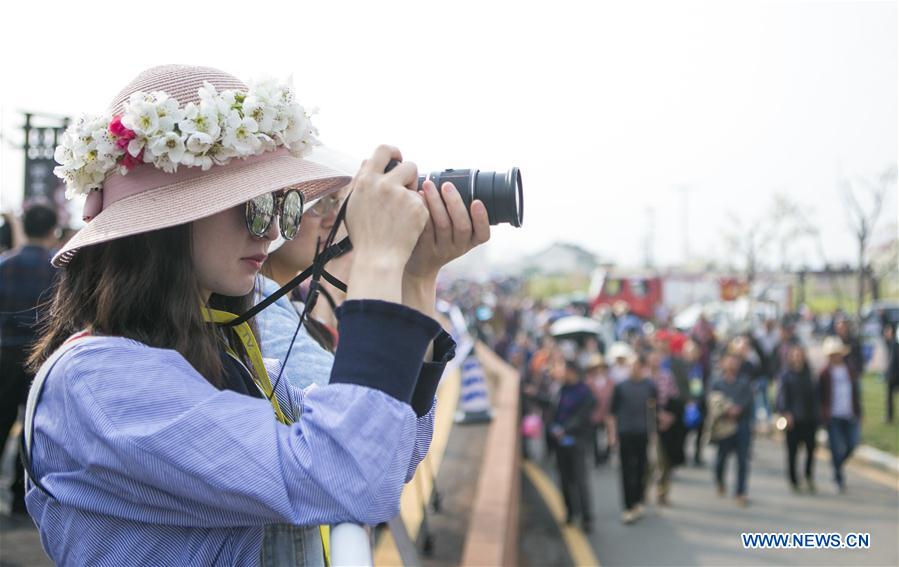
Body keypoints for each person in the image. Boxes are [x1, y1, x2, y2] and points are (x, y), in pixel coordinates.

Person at [23, 65, 490, 565]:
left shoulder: (224, 347)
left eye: (281, 207)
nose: (271, 232)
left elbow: (381, 452)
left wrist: (416, 278)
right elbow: (346, 475)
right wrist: (377, 259)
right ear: (169, 218)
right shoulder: (99, 381)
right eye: (253, 207)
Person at [0, 202, 59, 514]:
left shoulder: (4, 264)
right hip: (41, 358)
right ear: (52, 230)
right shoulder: (59, 268)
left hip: (4, 353)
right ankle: (20, 495)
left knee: (1, 418)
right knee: (31, 426)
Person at [609, 353, 657, 524]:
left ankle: (638, 501)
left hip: (642, 432)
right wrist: (612, 434)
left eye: (636, 365)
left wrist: (653, 431)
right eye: (630, 365)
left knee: (641, 469)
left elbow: (653, 409)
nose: (633, 369)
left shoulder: (649, 386)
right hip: (625, 432)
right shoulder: (620, 387)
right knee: (626, 471)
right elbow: (612, 413)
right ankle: (628, 506)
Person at [549, 358, 596, 532]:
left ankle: (586, 517)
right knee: (564, 479)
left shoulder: (584, 391)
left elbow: (584, 415)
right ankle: (570, 512)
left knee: (580, 479)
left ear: (572, 371)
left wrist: (565, 428)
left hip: (577, 440)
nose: (560, 373)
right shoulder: (559, 389)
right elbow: (552, 410)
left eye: (562, 369)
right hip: (560, 442)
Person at [710, 352, 753, 507]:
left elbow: (748, 401)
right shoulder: (717, 383)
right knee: (721, 458)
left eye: (735, 362)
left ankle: (741, 492)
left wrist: (737, 409)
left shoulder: (744, 382)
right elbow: (712, 401)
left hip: (741, 425)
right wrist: (726, 410)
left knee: (742, 460)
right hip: (723, 426)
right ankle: (720, 481)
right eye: (729, 361)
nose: (732, 365)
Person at [818, 336, 861, 493]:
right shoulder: (824, 373)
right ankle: (838, 477)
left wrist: (859, 411)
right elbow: (820, 396)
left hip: (849, 414)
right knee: (836, 448)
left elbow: (856, 393)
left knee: (851, 444)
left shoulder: (849, 370)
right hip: (833, 416)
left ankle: (837, 465)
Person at [776, 344, 818, 493]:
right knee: (792, 452)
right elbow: (781, 397)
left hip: (809, 419)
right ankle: (794, 480)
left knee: (811, 450)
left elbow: (816, 396)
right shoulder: (786, 374)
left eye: (800, 354)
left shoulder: (810, 374)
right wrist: (785, 413)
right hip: (793, 420)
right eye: (795, 354)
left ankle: (808, 476)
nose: (798, 357)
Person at [583, 353, 614, 466]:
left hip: (607, 412)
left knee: (608, 436)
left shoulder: (610, 381)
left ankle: (606, 456)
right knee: (595, 437)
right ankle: (597, 458)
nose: (599, 370)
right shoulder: (588, 382)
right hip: (594, 413)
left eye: (601, 367)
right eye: (597, 368)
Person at [882, 323, 898, 423]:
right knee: (889, 397)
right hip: (893, 374)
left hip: (895, 375)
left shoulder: (895, 344)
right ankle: (889, 416)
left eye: (887, 331)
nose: (885, 333)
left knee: (889, 396)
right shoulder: (891, 343)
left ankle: (889, 416)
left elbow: (894, 361)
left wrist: (891, 374)